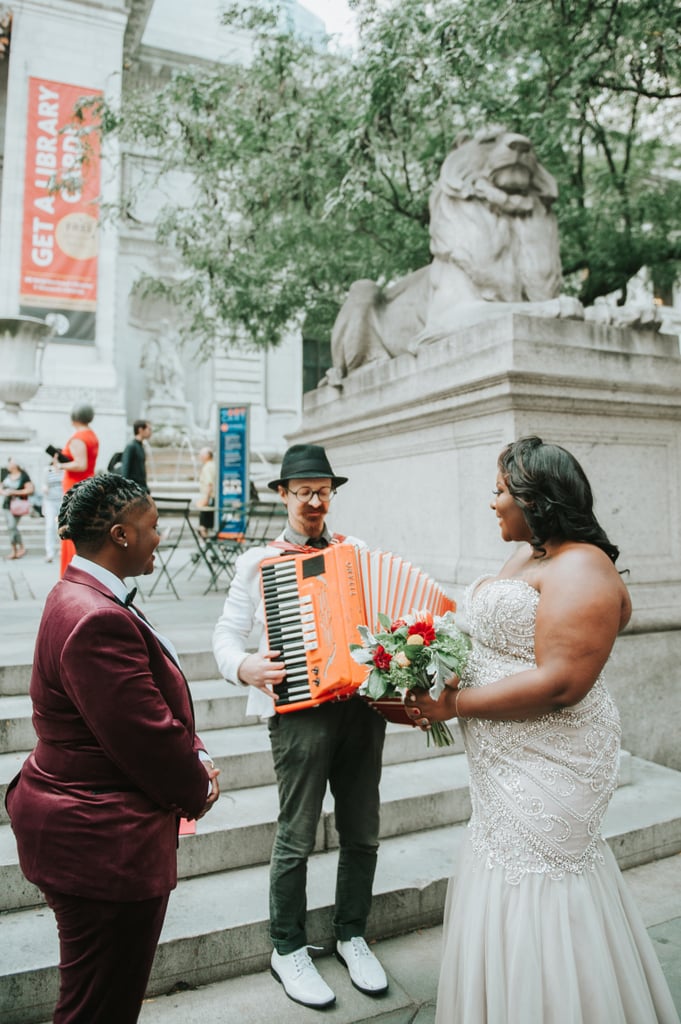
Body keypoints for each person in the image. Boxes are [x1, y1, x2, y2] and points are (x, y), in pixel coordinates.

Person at [406, 436, 680, 1024]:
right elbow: (490, 636)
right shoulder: (529, 555)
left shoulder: (584, 565)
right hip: (504, 756)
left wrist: (453, 706)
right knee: (503, 865)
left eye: (502, 491)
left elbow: (561, 683)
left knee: (541, 878)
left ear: (538, 499)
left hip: (553, 758)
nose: (493, 503)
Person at [5, 473, 220, 1024]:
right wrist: (198, 783)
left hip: (80, 829)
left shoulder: (76, 591)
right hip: (101, 846)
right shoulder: (97, 617)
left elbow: (134, 706)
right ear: (121, 535)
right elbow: (144, 737)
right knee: (99, 1008)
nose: (160, 537)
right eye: (151, 527)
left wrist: (190, 746)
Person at [213, 443, 388, 1009]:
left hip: (360, 708)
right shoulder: (255, 563)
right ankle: (286, 946)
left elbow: (384, 612)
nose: (315, 501)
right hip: (297, 714)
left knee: (362, 830)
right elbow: (225, 636)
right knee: (296, 834)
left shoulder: (356, 551)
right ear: (284, 495)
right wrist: (243, 665)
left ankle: (351, 933)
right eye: (304, 491)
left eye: (323, 491)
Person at [58, 402, 99, 577]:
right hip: (85, 485)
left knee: (71, 529)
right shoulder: (92, 435)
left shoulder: (78, 437)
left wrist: (60, 464)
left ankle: (70, 573)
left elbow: (80, 464)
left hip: (75, 487)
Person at [1, 456, 34, 560]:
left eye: (10, 463)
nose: (9, 465)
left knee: (12, 526)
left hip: (17, 505)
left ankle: (20, 548)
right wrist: (4, 492)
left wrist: (14, 492)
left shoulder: (24, 476)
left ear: (16, 465)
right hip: (6, 504)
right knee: (11, 527)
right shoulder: (5, 474)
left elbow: (30, 490)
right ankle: (15, 549)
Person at [41, 452, 64, 563]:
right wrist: (45, 488)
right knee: (50, 526)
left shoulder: (64, 470)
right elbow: (44, 483)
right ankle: (49, 553)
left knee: (60, 526)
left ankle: (61, 550)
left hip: (61, 501)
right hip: (50, 501)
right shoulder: (47, 470)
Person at [120, 419, 152, 490]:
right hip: (133, 489)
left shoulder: (141, 446)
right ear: (140, 430)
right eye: (148, 429)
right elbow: (125, 469)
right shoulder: (131, 446)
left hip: (141, 488)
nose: (150, 432)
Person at [196, 446, 216, 538]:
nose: (200, 457)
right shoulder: (214, 465)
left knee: (203, 526)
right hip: (214, 499)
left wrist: (206, 500)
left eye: (201, 455)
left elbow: (209, 484)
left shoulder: (207, 467)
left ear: (207, 455)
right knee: (209, 523)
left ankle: (205, 544)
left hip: (210, 498)